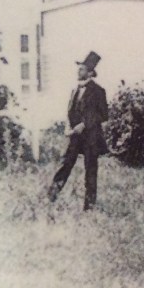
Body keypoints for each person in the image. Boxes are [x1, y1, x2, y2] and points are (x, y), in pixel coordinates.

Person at [48, 51, 108, 210]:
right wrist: (68, 127)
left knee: (91, 171)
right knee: (65, 165)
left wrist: (85, 124)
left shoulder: (98, 91)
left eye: (81, 69)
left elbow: (104, 114)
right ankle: (50, 198)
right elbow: (70, 111)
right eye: (79, 68)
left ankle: (89, 207)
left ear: (90, 73)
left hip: (91, 138)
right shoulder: (75, 90)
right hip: (75, 137)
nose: (78, 71)